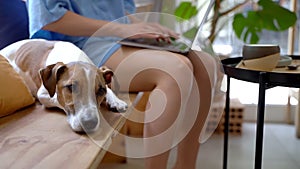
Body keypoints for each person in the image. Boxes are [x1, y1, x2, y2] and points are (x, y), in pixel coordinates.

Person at [27, 1, 224, 169]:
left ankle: (186, 166)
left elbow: (121, 12)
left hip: (119, 39)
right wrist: (122, 29)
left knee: (204, 61)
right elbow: (50, 17)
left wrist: (151, 29)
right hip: (78, 48)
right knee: (176, 70)